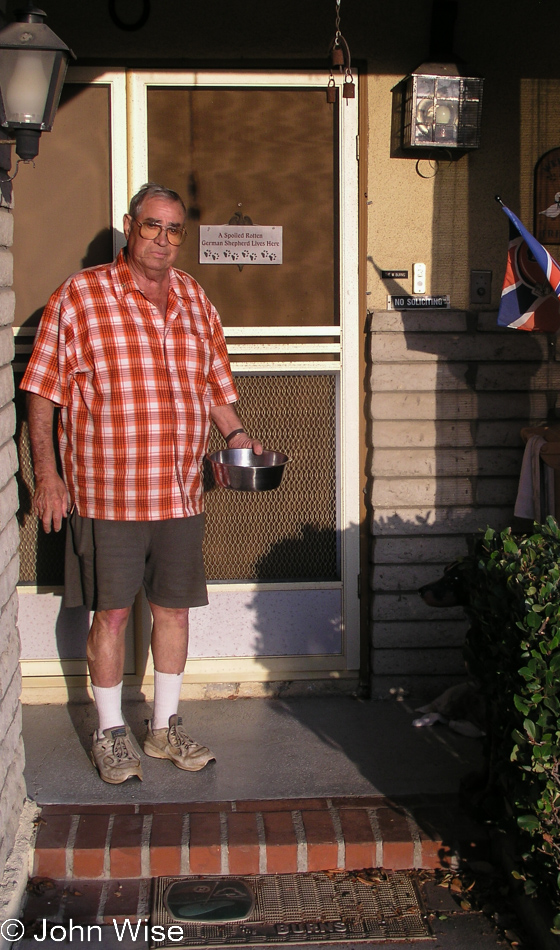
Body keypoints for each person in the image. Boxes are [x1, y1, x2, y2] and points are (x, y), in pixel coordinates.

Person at [20, 182, 262, 785]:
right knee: (112, 616)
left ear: (182, 237)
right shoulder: (81, 296)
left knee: (173, 612)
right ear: (131, 227)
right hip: (107, 493)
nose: (162, 238)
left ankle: (163, 728)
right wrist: (46, 475)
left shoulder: (193, 299)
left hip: (180, 491)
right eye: (152, 226)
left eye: (173, 229)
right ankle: (108, 733)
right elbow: (41, 391)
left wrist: (236, 438)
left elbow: (215, 388)